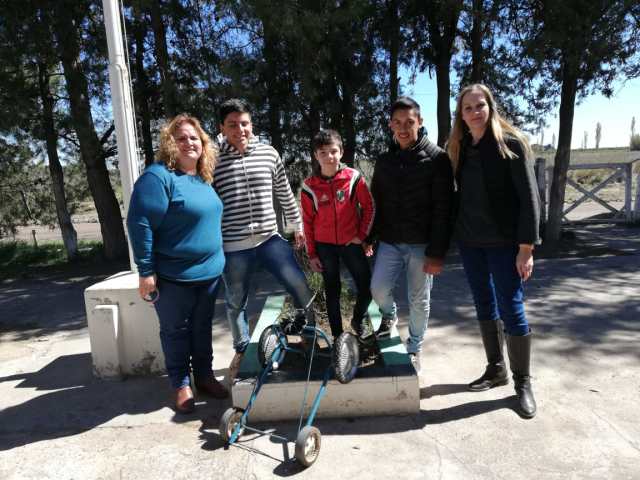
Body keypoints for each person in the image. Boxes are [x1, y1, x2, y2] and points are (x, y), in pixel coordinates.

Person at [447, 83, 541, 418]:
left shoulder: (510, 144)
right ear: (461, 113)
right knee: (483, 305)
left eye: (480, 105)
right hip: (471, 243)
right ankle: (495, 368)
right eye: (468, 107)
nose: (474, 112)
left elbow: (530, 199)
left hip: (504, 244)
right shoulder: (459, 147)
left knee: (511, 308)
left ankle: (523, 382)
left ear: (491, 107)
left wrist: (526, 248)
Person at [127, 114, 229, 414]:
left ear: (203, 144)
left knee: (202, 328)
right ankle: (181, 384)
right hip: (173, 277)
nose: (188, 143)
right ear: (170, 143)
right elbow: (140, 222)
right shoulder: (158, 177)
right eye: (181, 138)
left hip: (209, 274)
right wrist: (146, 272)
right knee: (175, 331)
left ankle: (205, 376)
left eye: (194, 138)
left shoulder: (202, 178)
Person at [213, 99, 313, 373]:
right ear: (222, 127)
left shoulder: (268, 153)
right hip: (233, 246)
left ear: (251, 124)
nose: (240, 129)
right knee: (235, 301)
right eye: (232, 124)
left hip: (270, 239)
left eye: (244, 123)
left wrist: (296, 226)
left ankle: (310, 337)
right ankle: (242, 349)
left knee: (300, 286)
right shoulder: (212, 158)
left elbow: (284, 192)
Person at [369, 97, 454, 374]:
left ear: (420, 122)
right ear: (390, 125)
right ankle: (389, 315)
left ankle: (415, 347)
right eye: (397, 123)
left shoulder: (438, 159)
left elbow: (444, 209)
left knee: (419, 299)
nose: (403, 128)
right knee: (378, 289)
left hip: (422, 244)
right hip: (391, 241)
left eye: (409, 122)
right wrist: (370, 236)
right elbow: (376, 202)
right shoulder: (384, 161)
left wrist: (437, 252)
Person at [300, 129, 375, 340]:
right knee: (332, 292)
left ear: (341, 152)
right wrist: (312, 254)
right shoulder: (309, 186)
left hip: (351, 243)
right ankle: (337, 338)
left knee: (367, 288)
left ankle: (358, 320)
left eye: (333, 151)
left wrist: (362, 236)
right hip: (325, 247)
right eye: (323, 152)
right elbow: (308, 222)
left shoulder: (353, 177)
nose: (329, 157)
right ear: (315, 155)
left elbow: (369, 207)